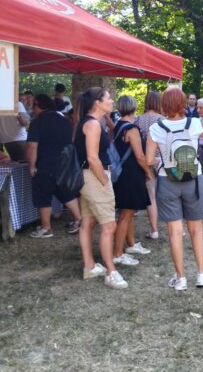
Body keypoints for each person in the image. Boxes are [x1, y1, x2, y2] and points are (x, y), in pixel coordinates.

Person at [146, 86, 203, 291]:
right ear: (183, 103)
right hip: (193, 179)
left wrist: (164, 160)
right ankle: (201, 274)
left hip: (167, 181)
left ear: (164, 105)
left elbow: (149, 159)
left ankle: (180, 278)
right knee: (196, 228)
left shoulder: (156, 128)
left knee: (175, 232)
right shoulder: (194, 123)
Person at [75, 87, 127, 289]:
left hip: (88, 177)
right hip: (95, 177)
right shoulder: (93, 124)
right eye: (108, 98)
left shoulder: (88, 122)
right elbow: (92, 158)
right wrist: (104, 181)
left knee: (88, 222)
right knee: (109, 225)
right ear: (97, 102)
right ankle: (111, 272)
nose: (112, 100)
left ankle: (89, 266)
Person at [26, 94, 82, 237]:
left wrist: (31, 166)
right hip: (63, 165)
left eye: (33, 106)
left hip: (44, 165)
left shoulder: (37, 123)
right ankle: (79, 219)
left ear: (38, 105)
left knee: (43, 197)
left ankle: (46, 228)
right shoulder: (65, 121)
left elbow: (32, 147)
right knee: (65, 193)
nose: (33, 110)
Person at [111, 96, 152, 266]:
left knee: (127, 212)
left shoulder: (117, 126)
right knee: (126, 214)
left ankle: (131, 244)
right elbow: (140, 156)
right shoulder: (132, 129)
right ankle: (117, 253)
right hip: (131, 174)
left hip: (121, 174)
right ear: (134, 108)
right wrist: (148, 172)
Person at [134, 91, 163, 239]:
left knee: (151, 196)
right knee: (170, 196)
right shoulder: (163, 120)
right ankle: (178, 227)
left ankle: (154, 230)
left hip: (146, 160)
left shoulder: (138, 119)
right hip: (162, 160)